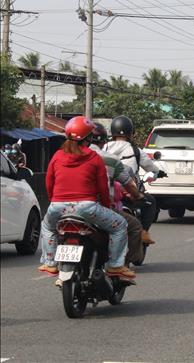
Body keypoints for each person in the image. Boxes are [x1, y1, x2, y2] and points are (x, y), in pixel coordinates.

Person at [38, 116, 134, 280]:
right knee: (120, 225)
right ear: (88, 138)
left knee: (47, 227)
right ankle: (115, 266)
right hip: (87, 208)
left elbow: (49, 183)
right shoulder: (94, 157)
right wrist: (105, 206)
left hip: (57, 206)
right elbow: (102, 188)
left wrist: (55, 201)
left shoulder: (57, 156)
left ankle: (50, 263)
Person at [90, 123, 155, 258]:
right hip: (108, 199)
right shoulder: (114, 157)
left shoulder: (65, 156)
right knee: (127, 225)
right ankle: (120, 264)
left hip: (63, 205)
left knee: (48, 227)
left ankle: (50, 262)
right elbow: (129, 182)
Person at [104, 115, 164, 232]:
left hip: (105, 192)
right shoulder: (136, 151)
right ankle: (144, 233)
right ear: (130, 132)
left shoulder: (104, 147)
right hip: (129, 193)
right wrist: (159, 173)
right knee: (151, 201)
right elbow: (151, 169)